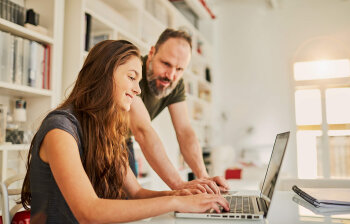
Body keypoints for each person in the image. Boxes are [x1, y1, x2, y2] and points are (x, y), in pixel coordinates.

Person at [20, 40, 229, 223]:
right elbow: (88, 211)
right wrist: (174, 201)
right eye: (131, 77)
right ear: (103, 74)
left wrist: (182, 194)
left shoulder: (107, 131)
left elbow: (136, 193)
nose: (138, 90)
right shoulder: (60, 130)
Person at [128, 28, 229, 194]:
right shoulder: (132, 70)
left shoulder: (175, 84)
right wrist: (179, 185)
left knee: (127, 204)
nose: (171, 75)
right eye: (166, 64)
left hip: (122, 142)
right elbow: (142, 131)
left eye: (180, 69)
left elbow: (185, 131)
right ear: (152, 53)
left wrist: (203, 176)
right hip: (91, 136)